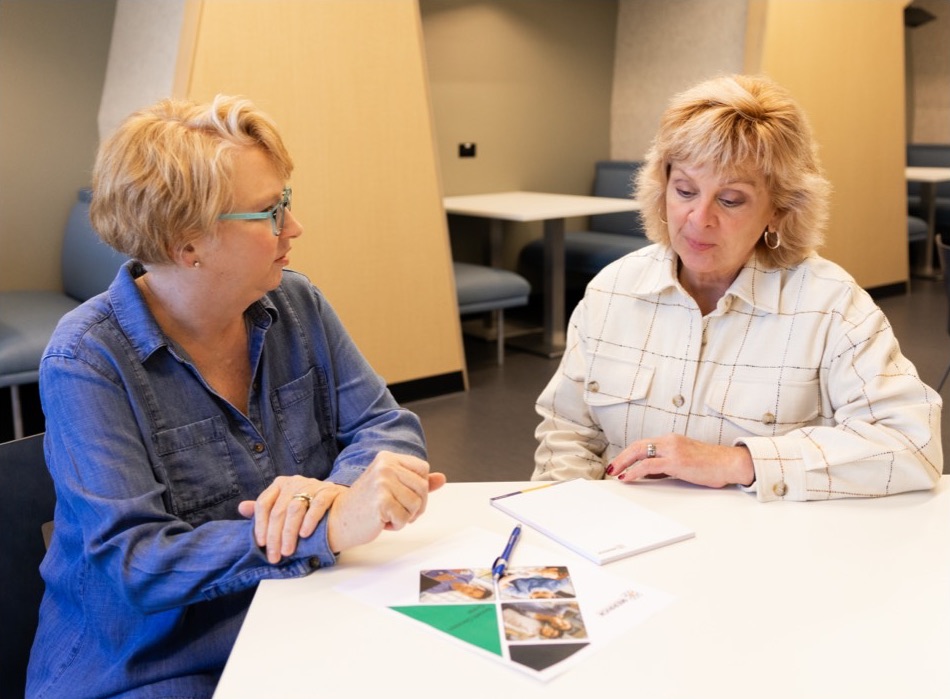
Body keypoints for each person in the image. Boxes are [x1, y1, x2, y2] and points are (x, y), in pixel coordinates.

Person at [27, 95, 446, 698]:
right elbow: (135, 563)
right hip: (150, 662)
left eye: (288, 203)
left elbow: (387, 426)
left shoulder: (298, 303)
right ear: (185, 243)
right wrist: (323, 528)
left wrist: (331, 495)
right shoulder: (86, 360)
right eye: (269, 213)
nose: (294, 228)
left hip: (290, 614)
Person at [531, 74, 942, 501]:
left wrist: (736, 462)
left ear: (779, 210)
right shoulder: (612, 291)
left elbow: (914, 445)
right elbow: (568, 434)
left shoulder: (830, 304)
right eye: (685, 190)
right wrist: (569, 514)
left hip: (763, 551)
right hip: (622, 544)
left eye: (730, 200)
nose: (698, 218)